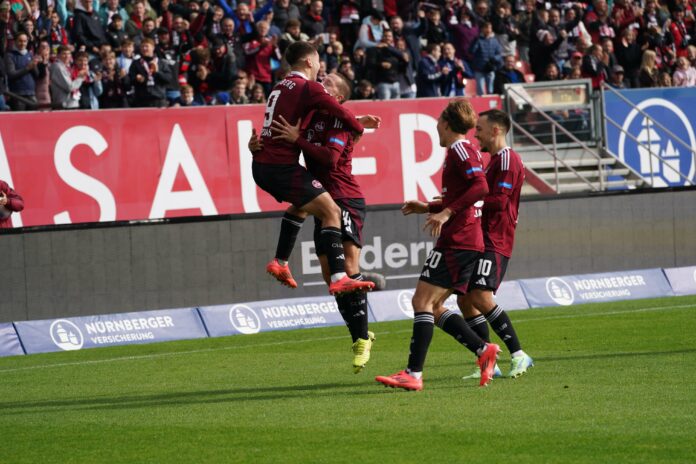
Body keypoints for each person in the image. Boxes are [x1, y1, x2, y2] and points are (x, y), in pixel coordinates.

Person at [250, 73, 380, 373]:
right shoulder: (311, 116)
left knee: (346, 269)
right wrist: (258, 145)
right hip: (322, 202)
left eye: (330, 81)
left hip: (345, 199)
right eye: (324, 76)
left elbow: (331, 160)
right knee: (329, 277)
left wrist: (298, 139)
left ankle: (362, 338)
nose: (324, 79)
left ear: (338, 97)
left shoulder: (340, 122)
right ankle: (359, 335)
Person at [375, 99, 501, 392]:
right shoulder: (463, 150)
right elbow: (466, 193)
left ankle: (414, 373)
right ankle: (482, 350)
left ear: (445, 123)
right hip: (464, 239)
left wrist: (445, 213)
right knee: (434, 306)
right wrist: (430, 206)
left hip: (459, 239)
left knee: (422, 302)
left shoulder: (459, 149)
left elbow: (481, 187)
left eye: (438, 123)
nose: (436, 128)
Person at [251, 41, 373, 296]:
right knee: (331, 211)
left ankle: (281, 262)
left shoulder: (279, 87)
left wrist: (255, 145)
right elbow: (339, 110)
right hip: (280, 167)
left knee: (303, 206)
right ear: (309, 61)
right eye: (318, 62)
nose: (320, 67)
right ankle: (340, 277)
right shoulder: (308, 87)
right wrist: (359, 127)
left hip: (261, 163)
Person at [448, 109, 534, 380]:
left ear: (496, 130)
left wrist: (468, 199)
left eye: (480, 130)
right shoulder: (493, 161)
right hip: (481, 238)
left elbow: (499, 200)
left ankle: (519, 354)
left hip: (496, 240)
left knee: (481, 297)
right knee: (464, 298)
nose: (476, 135)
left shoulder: (508, 159)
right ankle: (488, 362)